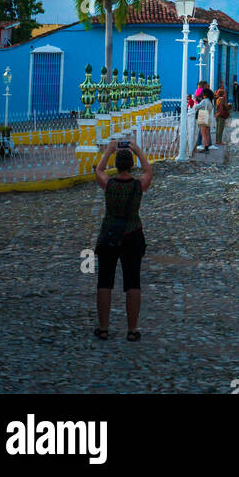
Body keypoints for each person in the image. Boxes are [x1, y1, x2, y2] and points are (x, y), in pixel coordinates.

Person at [93, 137, 152, 341]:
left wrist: (108, 151)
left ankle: (103, 327)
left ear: (116, 166)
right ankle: (132, 329)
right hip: (133, 234)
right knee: (133, 282)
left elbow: (99, 171)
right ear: (131, 165)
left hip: (109, 235)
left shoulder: (109, 185)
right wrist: (139, 151)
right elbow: (148, 172)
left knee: (104, 282)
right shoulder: (138, 186)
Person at [194, 86, 215, 151]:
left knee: (203, 133)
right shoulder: (210, 101)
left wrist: (195, 102)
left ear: (205, 95)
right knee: (207, 133)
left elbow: (196, 107)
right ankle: (207, 146)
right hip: (208, 118)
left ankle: (206, 147)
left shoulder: (204, 101)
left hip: (203, 118)